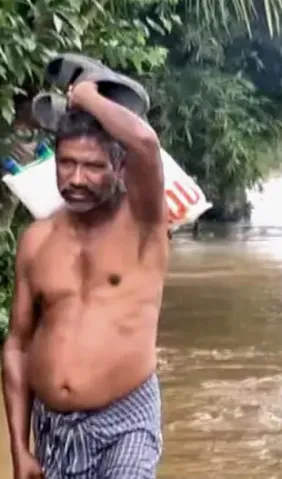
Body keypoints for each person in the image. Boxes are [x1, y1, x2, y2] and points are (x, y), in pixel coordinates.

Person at [2, 80, 168, 479]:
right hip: (53, 429)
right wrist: (19, 450)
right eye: (67, 163)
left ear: (120, 168)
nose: (76, 178)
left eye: (93, 166)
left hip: (125, 421)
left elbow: (145, 144)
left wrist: (87, 97)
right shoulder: (36, 241)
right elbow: (18, 347)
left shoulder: (143, 225)